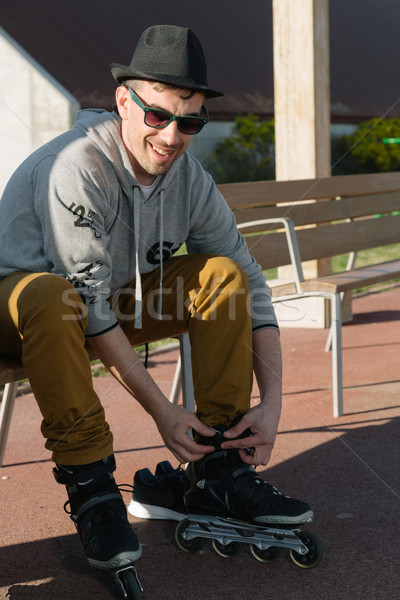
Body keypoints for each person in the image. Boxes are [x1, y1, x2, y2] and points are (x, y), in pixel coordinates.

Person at [0, 25, 312, 571]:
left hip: (98, 303)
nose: (172, 137)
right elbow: (86, 304)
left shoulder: (189, 178)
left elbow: (251, 285)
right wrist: (164, 412)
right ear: (124, 100)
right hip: (18, 309)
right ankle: (93, 485)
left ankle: (221, 464)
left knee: (221, 275)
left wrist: (274, 404)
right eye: (158, 115)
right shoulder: (77, 166)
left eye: (190, 121)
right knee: (54, 297)